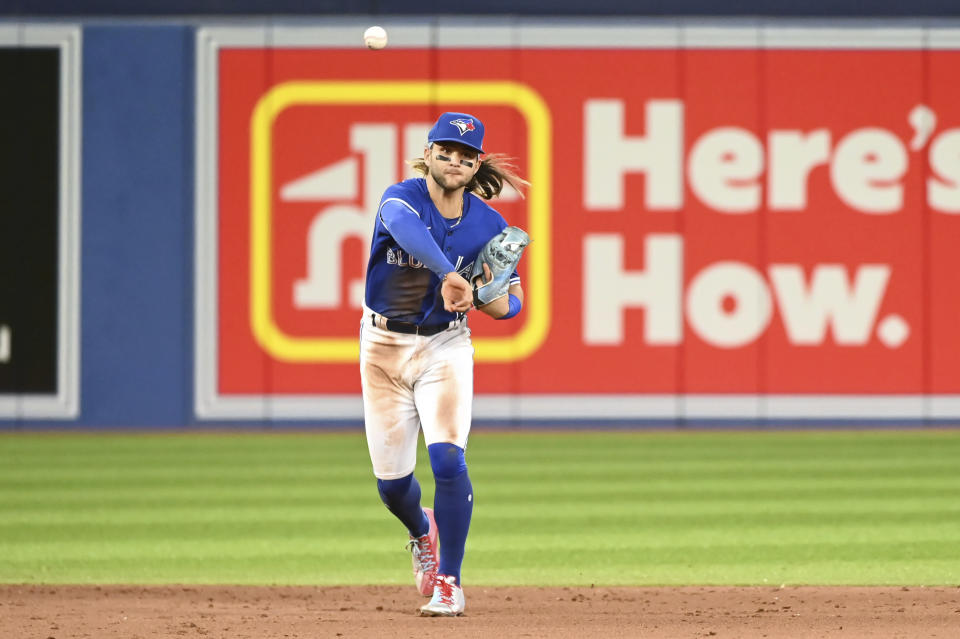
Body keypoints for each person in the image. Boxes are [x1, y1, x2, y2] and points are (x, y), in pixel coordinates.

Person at [359, 112, 528, 617]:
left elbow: (513, 301)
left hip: (444, 347)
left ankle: (450, 582)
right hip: (382, 347)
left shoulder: (489, 224)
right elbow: (409, 232)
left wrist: (493, 299)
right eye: (446, 150)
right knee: (392, 489)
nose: (455, 160)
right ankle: (420, 529)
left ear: (476, 166)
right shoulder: (400, 199)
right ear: (428, 154)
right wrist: (451, 273)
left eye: (466, 155)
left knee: (448, 460)